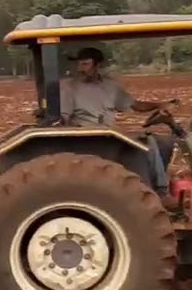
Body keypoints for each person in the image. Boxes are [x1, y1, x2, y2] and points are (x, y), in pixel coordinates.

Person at [60, 47, 175, 193]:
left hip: (111, 135)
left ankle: (156, 185)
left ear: (98, 65)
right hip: (88, 137)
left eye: (85, 64)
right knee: (146, 145)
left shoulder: (111, 86)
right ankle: (159, 190)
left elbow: (136, 105)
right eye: (79, 64)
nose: (80, 69)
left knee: (163, 143)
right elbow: (64, 117)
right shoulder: (70, 88)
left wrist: (160, 105)